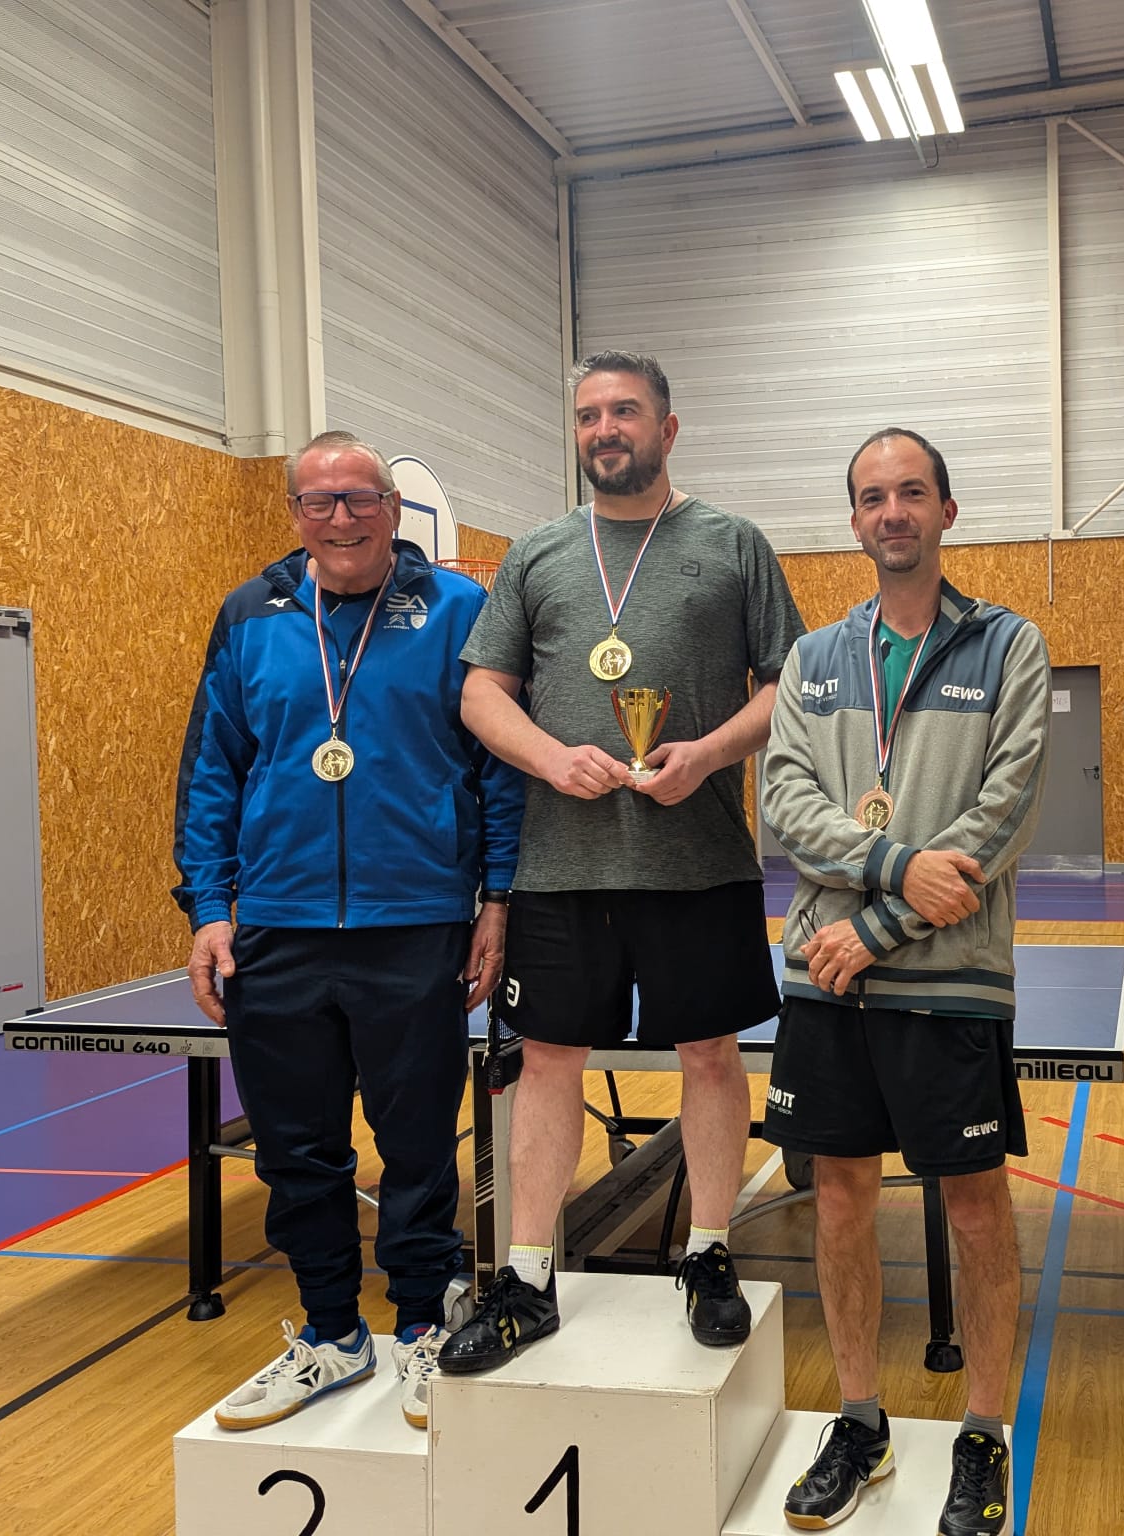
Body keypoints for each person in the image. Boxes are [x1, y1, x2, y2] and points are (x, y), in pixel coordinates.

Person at [441, 350, 804, 1374]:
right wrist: (552, 759)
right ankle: (526, 1278)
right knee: (548, 1062)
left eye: (626, 411)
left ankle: (709, 1253)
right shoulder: (537, 554)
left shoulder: (732, 545)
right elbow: (481, 693)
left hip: (700, 860)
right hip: (562, 869)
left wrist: (710, 754)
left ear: (667, 429)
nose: (606, 429)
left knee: (710, 1057)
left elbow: (787, 685)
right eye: (590, 414)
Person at [173, 429, 523, 1431]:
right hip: (275, 927)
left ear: (392, 509)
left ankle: (419, 1325)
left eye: (361, 498)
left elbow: (498, 769)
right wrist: (210, 908)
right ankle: (331, 1333)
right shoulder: (249, 614)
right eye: (319, 501)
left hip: (415, 921)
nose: (342, 518)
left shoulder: (457, 610)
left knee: (416, 1145)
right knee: (296, 1151)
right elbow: (212, 769)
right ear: (295, 513)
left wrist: (497, 897)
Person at [759, 427, 1050, 1536]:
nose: (894, 512)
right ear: (854, 520)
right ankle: (862, 1421)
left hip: (946, 982)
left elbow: (1002, 817)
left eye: (913, 493)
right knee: (837, 1200)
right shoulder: (814, 658)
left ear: (946, 511)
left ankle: (984, 1434)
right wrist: (890, 870)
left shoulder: (1009, 646)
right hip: (828, 984)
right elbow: (785, 801)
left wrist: (875, 926)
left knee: (974, 1209)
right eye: (874, 496)